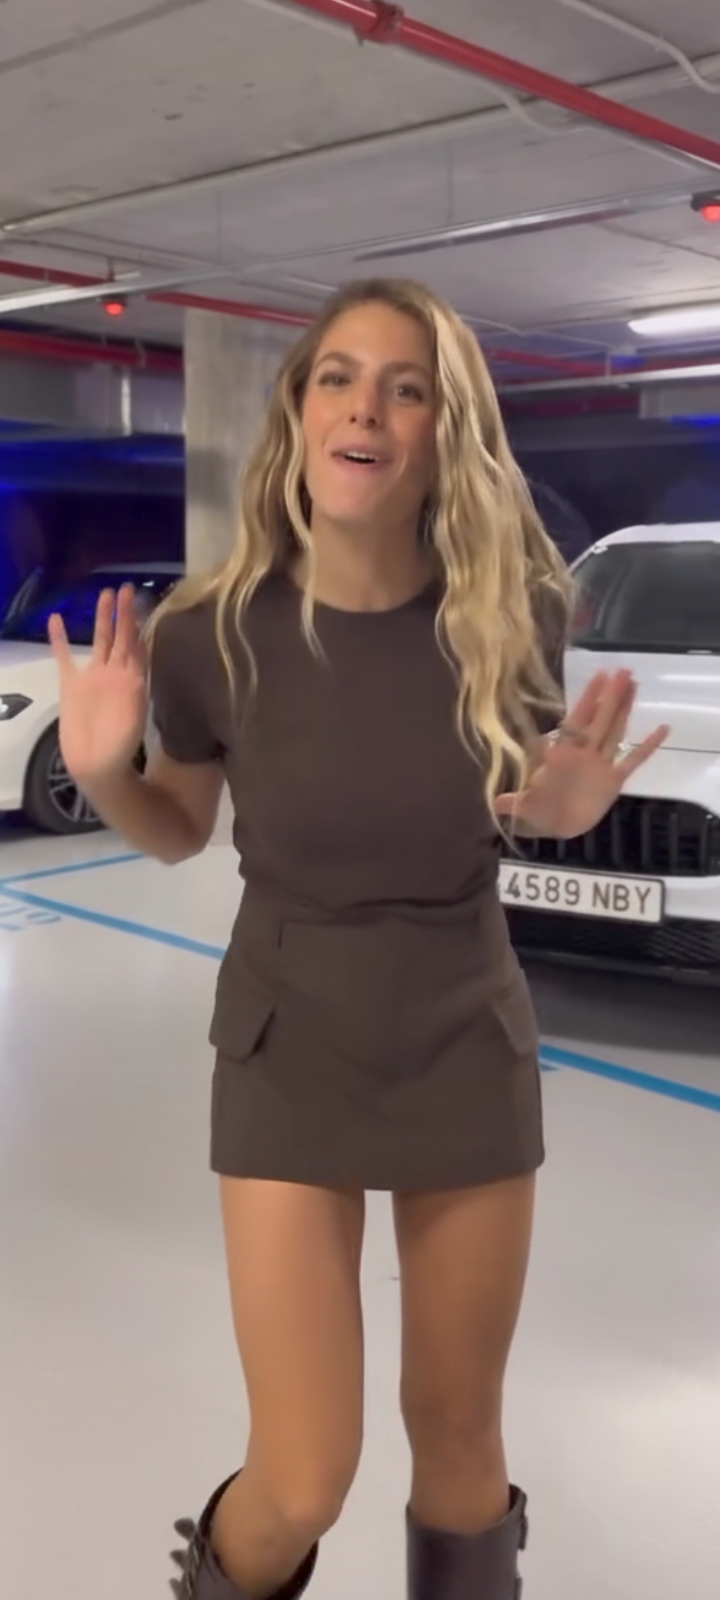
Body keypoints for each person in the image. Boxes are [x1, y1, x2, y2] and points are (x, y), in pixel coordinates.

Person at [49, 279, 668, 1600]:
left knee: (458, 1444)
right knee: (301, 1476)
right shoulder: (211, 630)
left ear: (446, 430)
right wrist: (106, 774)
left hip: (462, 1034)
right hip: (288, 1038)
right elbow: (179, 829)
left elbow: (524, 798)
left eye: (406, 387)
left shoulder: (512, 617)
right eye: (337, 377)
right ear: (298, 411)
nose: (365, 409)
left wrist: (563, 815)